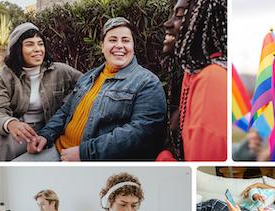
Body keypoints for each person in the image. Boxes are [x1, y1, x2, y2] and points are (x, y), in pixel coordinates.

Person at [17, 17, 167, 161]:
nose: (119, 45)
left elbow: (141, 133)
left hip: (91, 159)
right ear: (102, 46)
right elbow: (65, 111)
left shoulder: (147, 83)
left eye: (126, 40)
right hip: (59, 149)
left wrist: (85, 153)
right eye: (113, 40)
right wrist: (45, 135)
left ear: (133, 46)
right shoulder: (89, 77)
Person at [0, 22, 81, 161]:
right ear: (18, 49)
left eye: (40, 43)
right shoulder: (5, 76)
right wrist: (10, 124)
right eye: (30, 44)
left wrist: (68, 102)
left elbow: (87, 85)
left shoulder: (61, 71)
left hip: (46, 131)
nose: (38, 49)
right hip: (16, 130)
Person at [156, 0, 228, 161]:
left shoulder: (212, 80)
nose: (168, 23)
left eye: (180, 14)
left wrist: (163, 156)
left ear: (205, 21)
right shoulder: (193, 74)